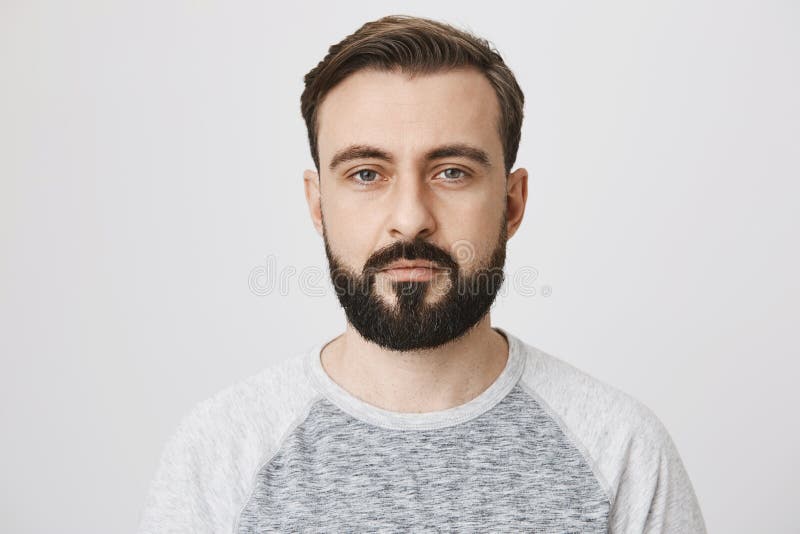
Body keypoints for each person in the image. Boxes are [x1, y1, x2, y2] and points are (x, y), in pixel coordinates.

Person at [137, 14, 707, 533]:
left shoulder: (621, 452)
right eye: (366, 174)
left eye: (451, 172)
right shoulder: (218, 456)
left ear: (512, 203)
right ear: (317, 205)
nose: (410, 220)